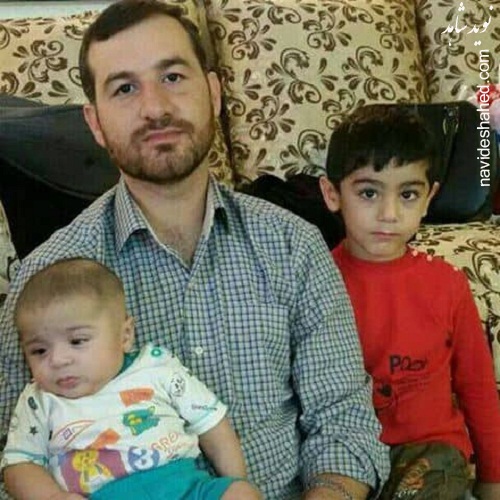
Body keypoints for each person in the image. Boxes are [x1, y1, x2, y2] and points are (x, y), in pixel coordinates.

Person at [0, 1, 389, 498]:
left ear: (214, 92)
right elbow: (12, 459)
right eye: (124, 88)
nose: (155, 107)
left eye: (173, 77)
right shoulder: (43, 283)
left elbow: (344, 422)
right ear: (95, 124)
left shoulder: (295, 245)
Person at [319, 104, 500, 500]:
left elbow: (477, 386)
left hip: (431, 452)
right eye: (369, 193)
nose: (389, 214)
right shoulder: (317, 282)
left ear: (428, 198)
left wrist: (492, 478)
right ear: (332, 194)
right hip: (346, 453)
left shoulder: (447, 284)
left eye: (407, 195)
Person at [1, 258, 262, 500]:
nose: (57, 360)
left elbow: (213, 424)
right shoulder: (38, 400)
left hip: (186, 487)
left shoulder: (157, 367)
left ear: (125, 336)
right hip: (103, 495)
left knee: (241, 493)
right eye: (39, 351)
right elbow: (18, 465)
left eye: (77, 341)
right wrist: (54, 497)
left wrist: (236, 478)